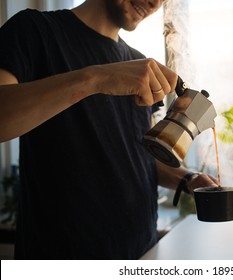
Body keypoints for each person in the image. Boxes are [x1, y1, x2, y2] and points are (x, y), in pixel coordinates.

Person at [0, 0, 217, 259]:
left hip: (142, 251)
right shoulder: (34, 30)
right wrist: (95, 79)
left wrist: (188, 178)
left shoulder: (137, 64)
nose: (155, 3)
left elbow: (140, 156)